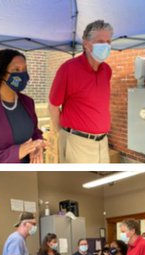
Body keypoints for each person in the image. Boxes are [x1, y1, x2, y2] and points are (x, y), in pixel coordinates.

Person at [49, 20, 114, 163]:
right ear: (86, 44)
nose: (106, 46)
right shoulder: (68, 69)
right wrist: (62, 133)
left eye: (109, 42)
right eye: (101, 41)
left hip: (103, 142)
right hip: (77, 142)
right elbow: (53, 105)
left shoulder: (106, 71)